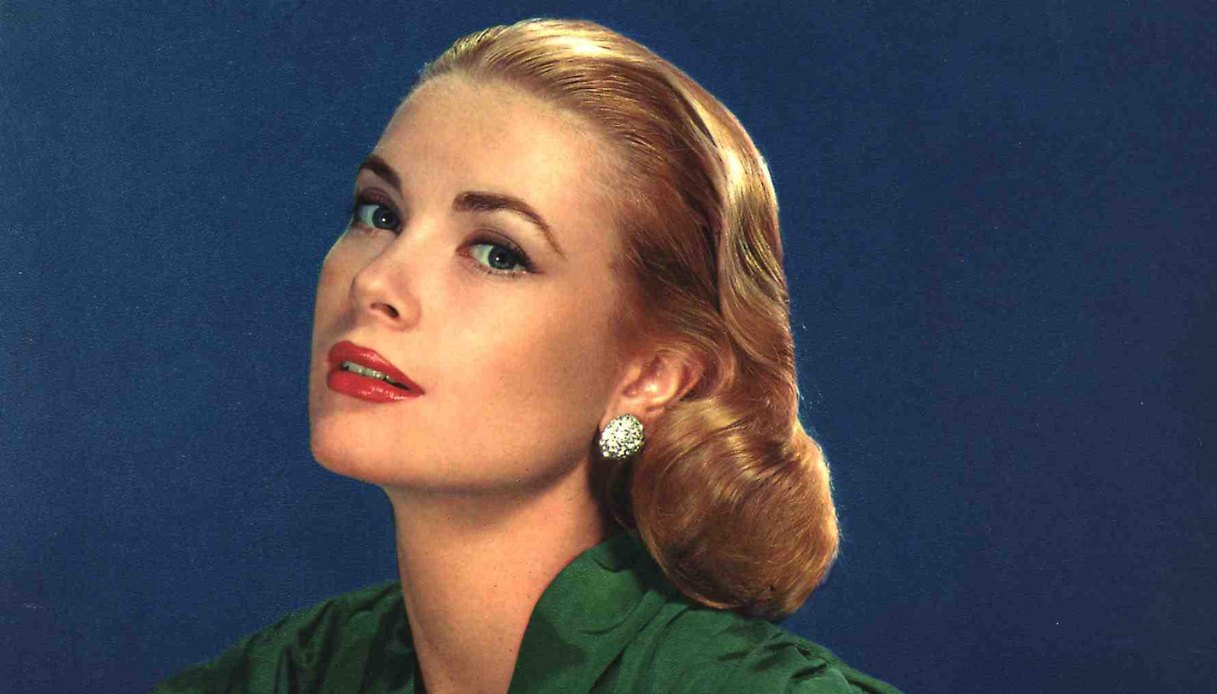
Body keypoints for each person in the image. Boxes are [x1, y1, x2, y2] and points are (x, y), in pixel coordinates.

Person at [153, 18, 903, 694]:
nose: (375, 282)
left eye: (497, 253)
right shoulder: (282, 676)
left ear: (650, 376)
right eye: (379, 214)